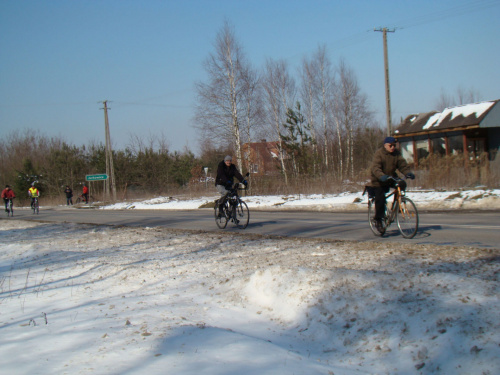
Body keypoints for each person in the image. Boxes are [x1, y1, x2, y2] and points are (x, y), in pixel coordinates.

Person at [368, 136, 415, 232]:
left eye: (394, 145)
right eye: (390, 145)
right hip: (378, 179)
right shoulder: (379, 154)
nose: (392, 147)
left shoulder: (396, 154)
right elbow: (376, 168)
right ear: (385, 145)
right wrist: (381, 176)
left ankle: (397, 203)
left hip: (390, 177)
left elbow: (402, 165)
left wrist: (407, 173)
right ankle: (378, 220)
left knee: (401, 183)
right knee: (380, 198)